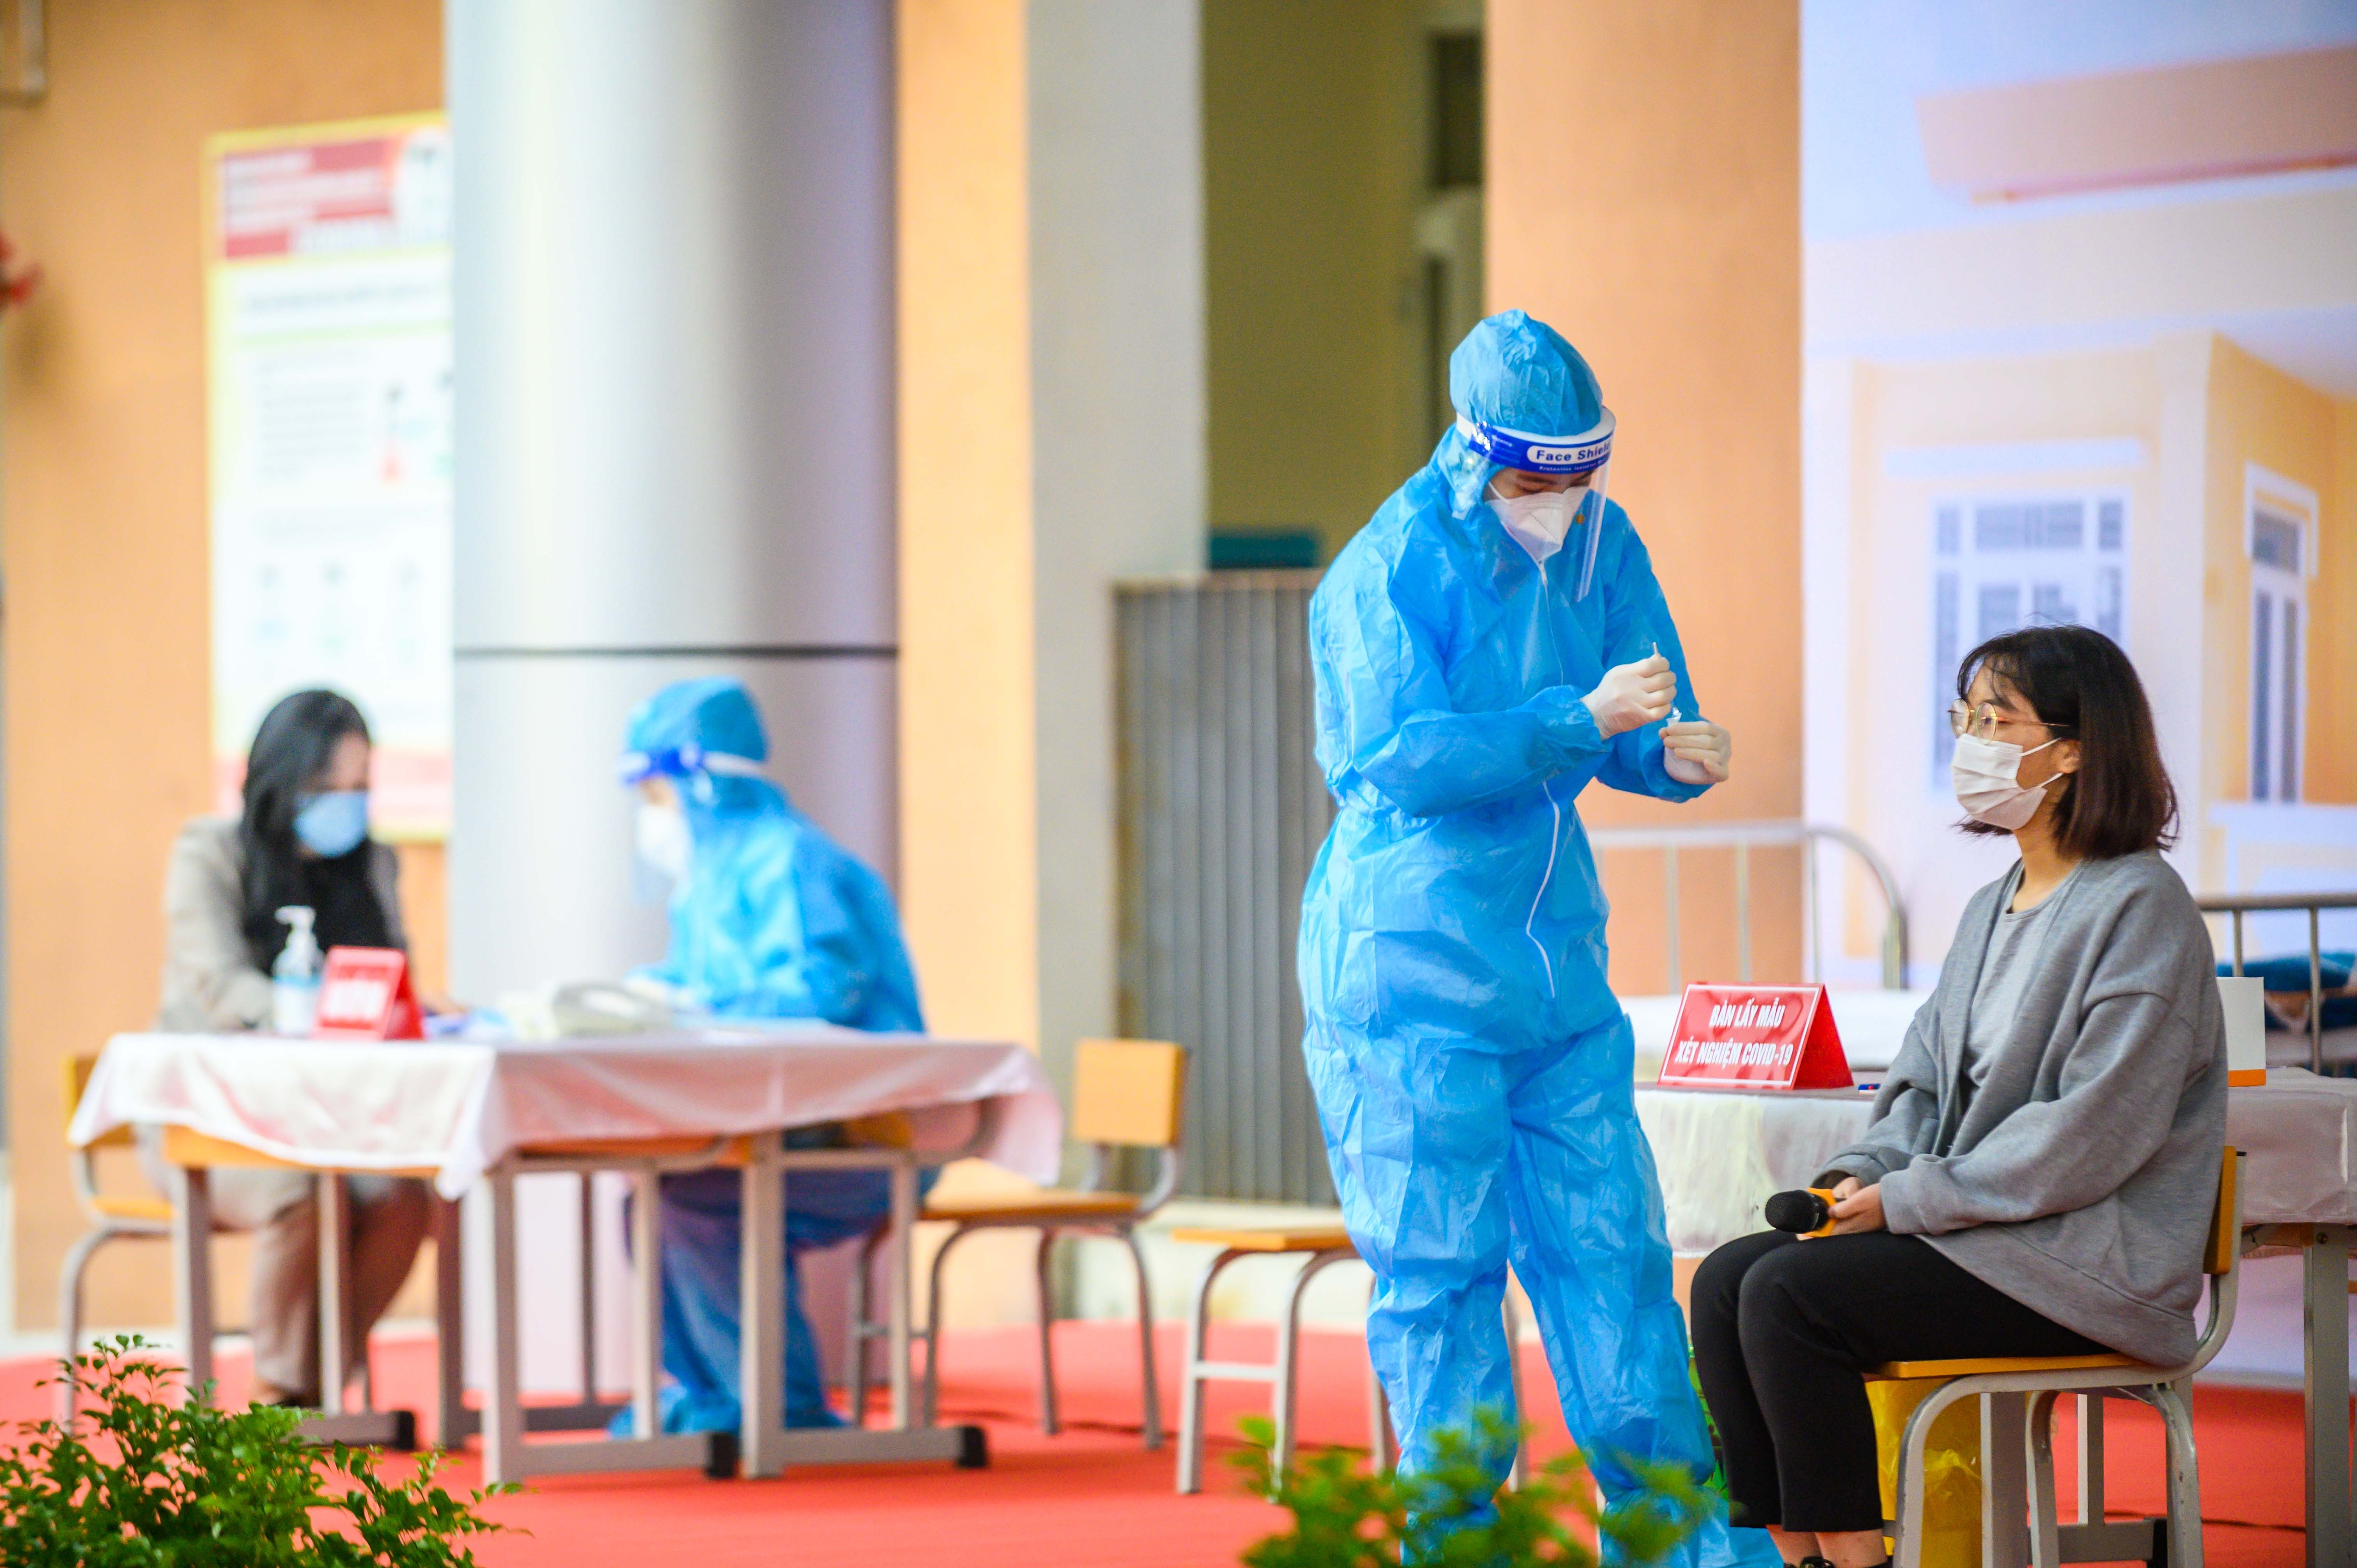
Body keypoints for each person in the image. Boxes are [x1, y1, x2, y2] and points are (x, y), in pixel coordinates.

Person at [1299, 309, 1758, 1561]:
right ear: (1476, 457)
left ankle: (1681, 1541)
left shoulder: (1605, 541)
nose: (1562, 502)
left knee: (1614, 1255)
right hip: (1408, 972)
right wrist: (1575, 718)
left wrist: (1671, 757)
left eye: (1581, 476)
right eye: (1537, 480)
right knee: (1442, 1280)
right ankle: (1454, 1546)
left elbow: (1643, 703)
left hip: (1555, 973)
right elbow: (1394, 757)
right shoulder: (1387, 569)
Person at [1689, 624, 2224, 1568]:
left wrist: (1911, 1198)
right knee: (1729, 1276)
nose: (1969, 741)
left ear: (2074, 749)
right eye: (1964, 716)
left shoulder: (2144, 906)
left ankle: (1859, 1560)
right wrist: (1862, 1175)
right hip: (1985, 1235)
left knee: (1785, 1294)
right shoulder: (1993, 904)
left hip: (2083, 1261)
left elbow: (2093, 1133)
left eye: (1995, 718)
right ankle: (1803, 1551)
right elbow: (1922, 1082)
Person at [616, 676, 925, 1433]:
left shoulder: (790, 859)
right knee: (656, 1198)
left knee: (697, 1199)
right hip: (783, 1128)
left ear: (703, 783)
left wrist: (707, 1003)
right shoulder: (710, 876)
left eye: (657, 792)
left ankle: (777, 1409)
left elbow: (826, 989)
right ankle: (723, 1397)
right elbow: (701, 979)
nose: (650, 814)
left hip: (866, 1136)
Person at [153, 689, 432, 1407]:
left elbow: (393, 978)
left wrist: (408, 1009)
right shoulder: (210, 853)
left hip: (328, 1118)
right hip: (205, 1118)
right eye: (324, 788)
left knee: (403, 1196)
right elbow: (216, 982)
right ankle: (278, 1393)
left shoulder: (372, 867)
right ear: (280, 779)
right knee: (296, 1189)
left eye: (359, 788)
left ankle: (307, 1396)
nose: (345, 804)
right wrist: (312, 1017)